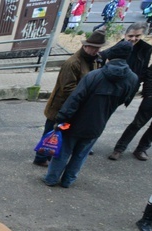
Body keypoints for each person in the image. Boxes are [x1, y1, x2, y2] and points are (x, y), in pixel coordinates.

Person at [43, 41, 137, 188]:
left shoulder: (94, 76)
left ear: (110, 57)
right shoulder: (132, 79)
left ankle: (51, 178)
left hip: (74, 123)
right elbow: (124, 100)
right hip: (98, 124)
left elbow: (74, 99)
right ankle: (68, 181)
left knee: (63, 152)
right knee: (81, 155)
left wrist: (62, 119)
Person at [33, 30, 105, 167]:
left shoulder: (94, 60)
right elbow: (67, 88)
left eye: (98, 48)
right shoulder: (72, 63)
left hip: (74, 106)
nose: (96, 51)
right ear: (85, 46)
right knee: (51, 131)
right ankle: (41, 157)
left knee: (60, 133)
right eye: (94, 48)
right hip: (60, 106)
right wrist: (85, 97)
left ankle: (48, 155)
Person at [107, 47, 152, 162]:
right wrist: (149, 94)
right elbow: (151, 72)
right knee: (137, 124)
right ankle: (119, 149)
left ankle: (141, 149)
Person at [99, 22, 152, 92]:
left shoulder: (146, 48)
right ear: (125, 35)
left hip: (131, 85)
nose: (133, 39)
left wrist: (136, 84)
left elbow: (144, 69)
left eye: (137, 36)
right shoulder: (114, 49)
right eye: (130, 36)